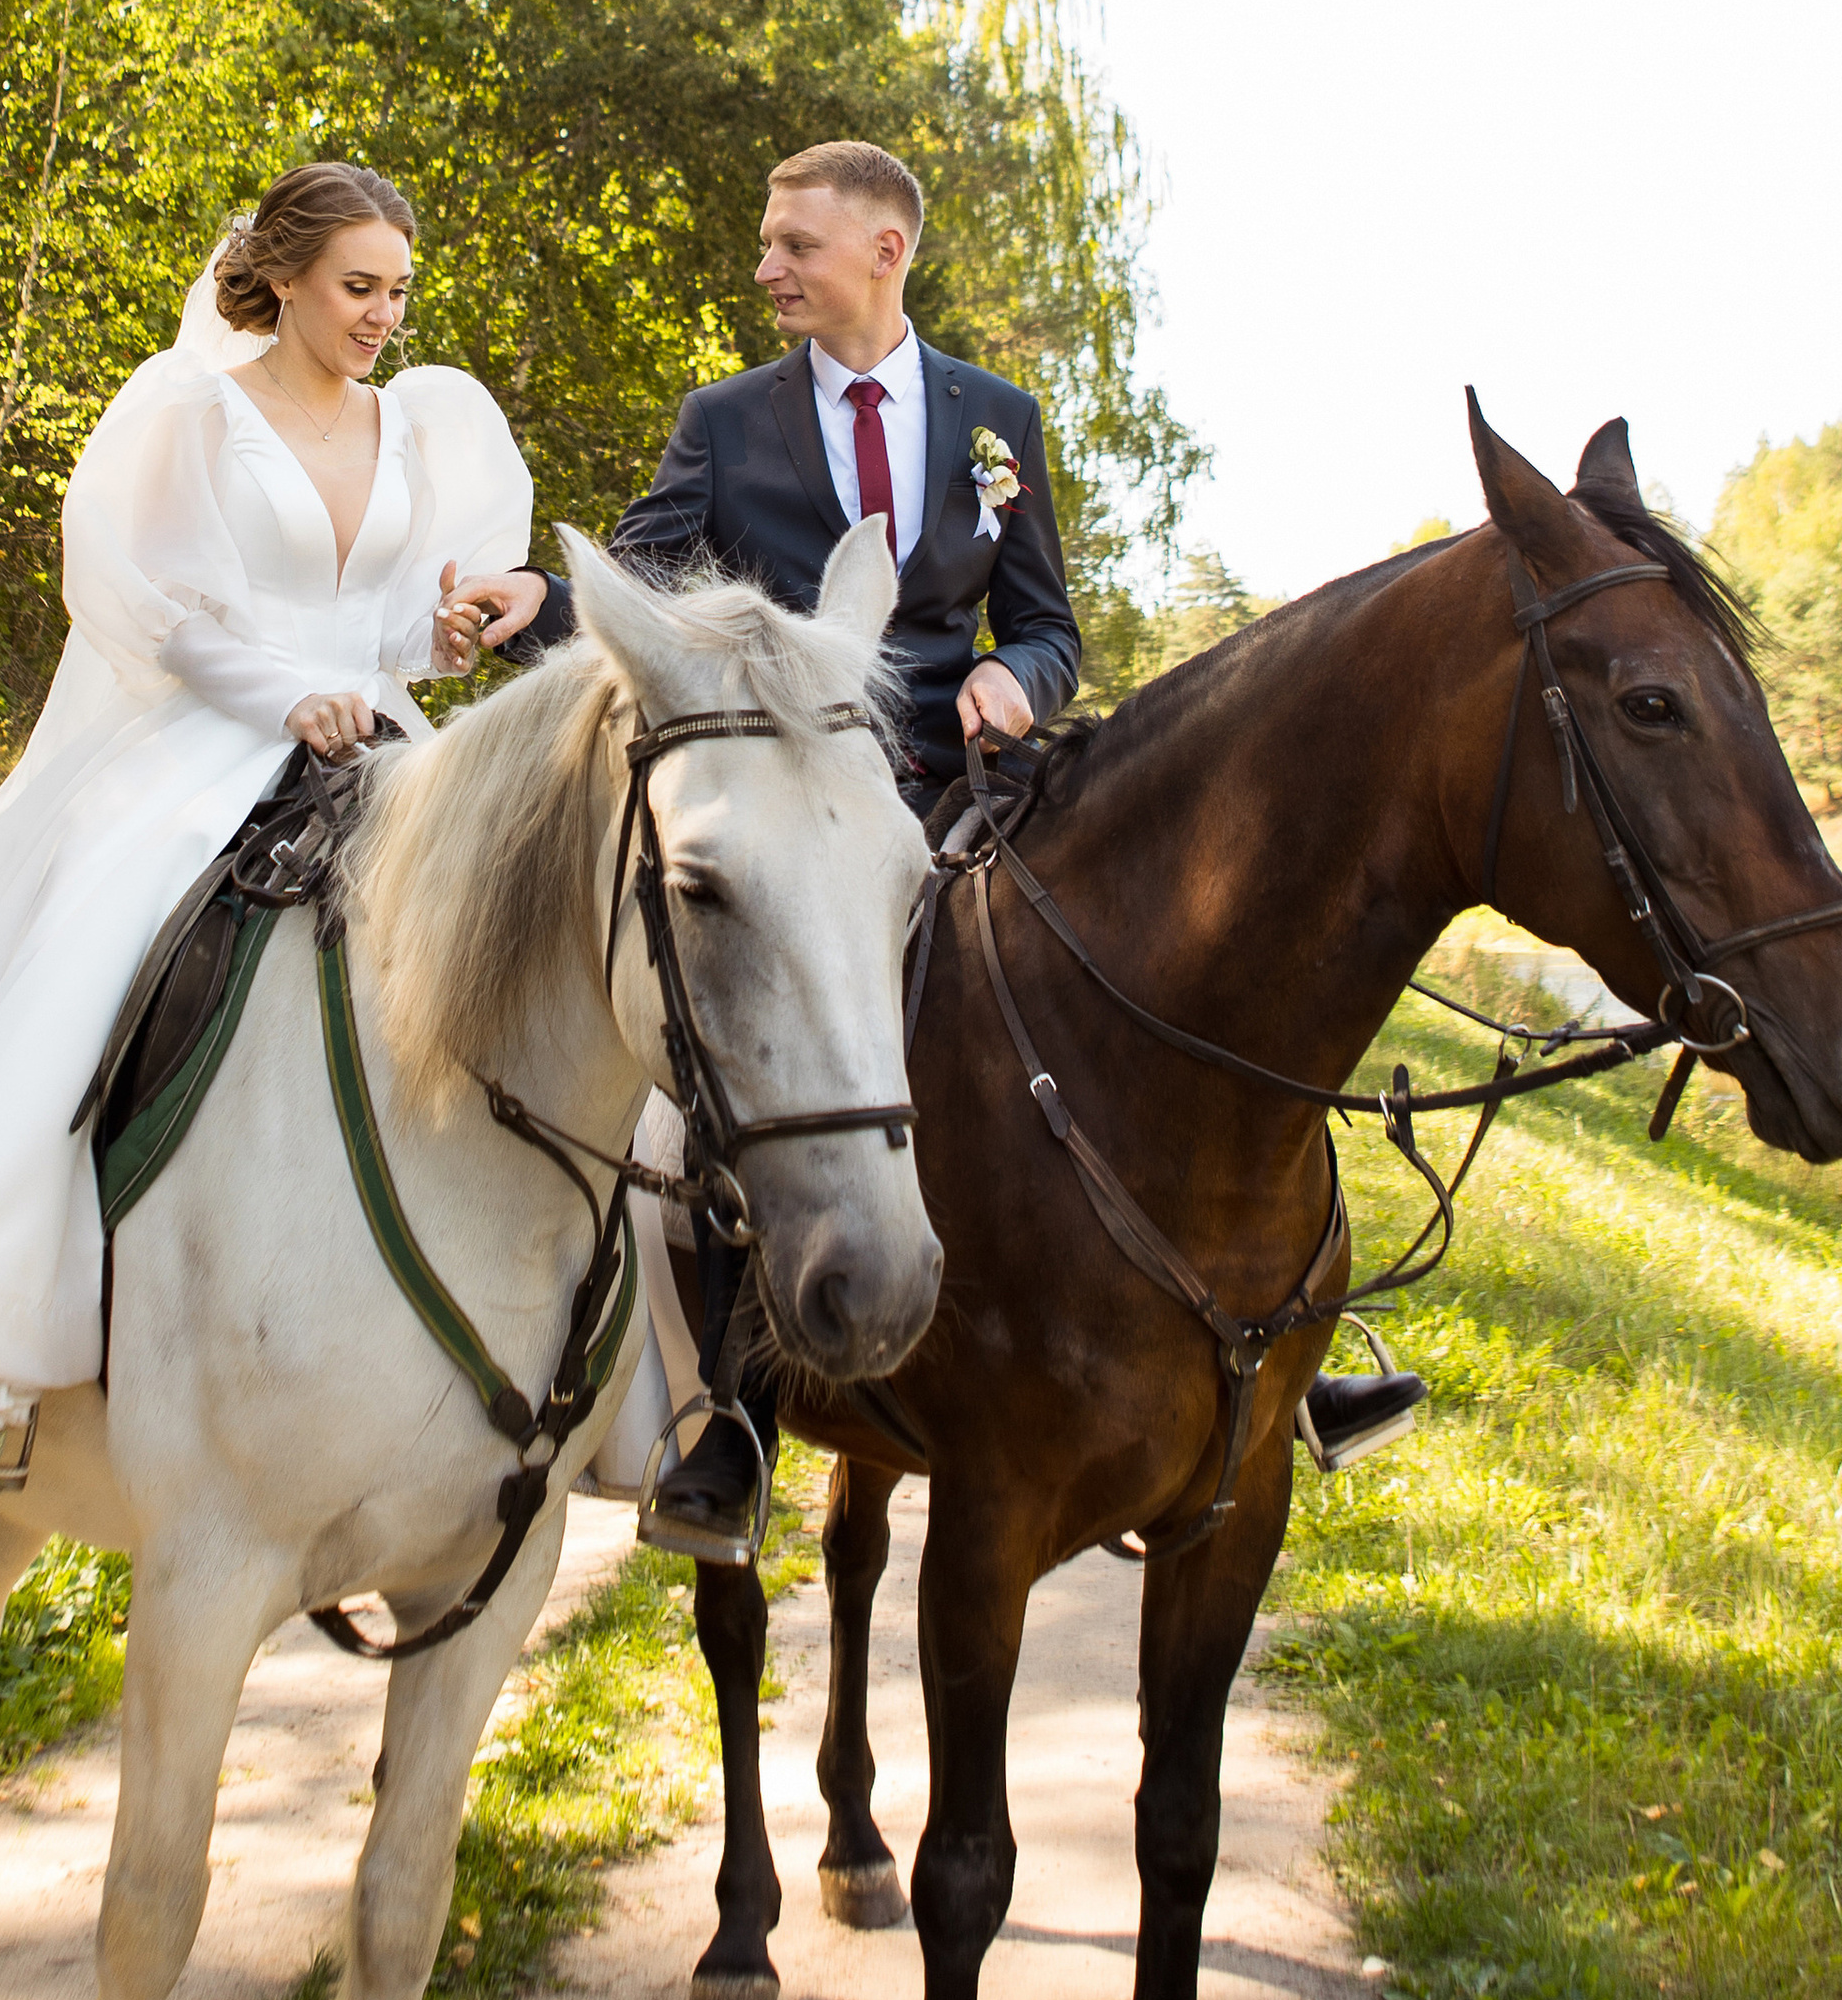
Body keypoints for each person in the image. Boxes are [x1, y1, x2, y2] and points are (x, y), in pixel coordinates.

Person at [460, 139, 1421, 1556]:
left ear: (884, 252)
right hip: (798, 800)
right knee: (738, 1066)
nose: (768, 265)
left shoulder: (994, 419)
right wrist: (542, 594)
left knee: (1181, 973)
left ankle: (1280, 1349)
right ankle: (730, 1411)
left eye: (795, 243)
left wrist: (1015, 681)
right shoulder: (725, 422)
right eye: (769, 241)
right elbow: (649, 580)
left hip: (975, 784)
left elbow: (1047, 626)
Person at [0, 162, 541, 1510]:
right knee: (85, 962)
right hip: (212, 739)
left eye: (396, 289)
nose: (382, 314)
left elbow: (385, 625)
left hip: (376, 736)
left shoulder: (411, 427)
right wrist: (288, 693)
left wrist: (430, 642)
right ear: (283, 279)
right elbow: (157, 614)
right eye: (357, 287)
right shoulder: (197, 417)